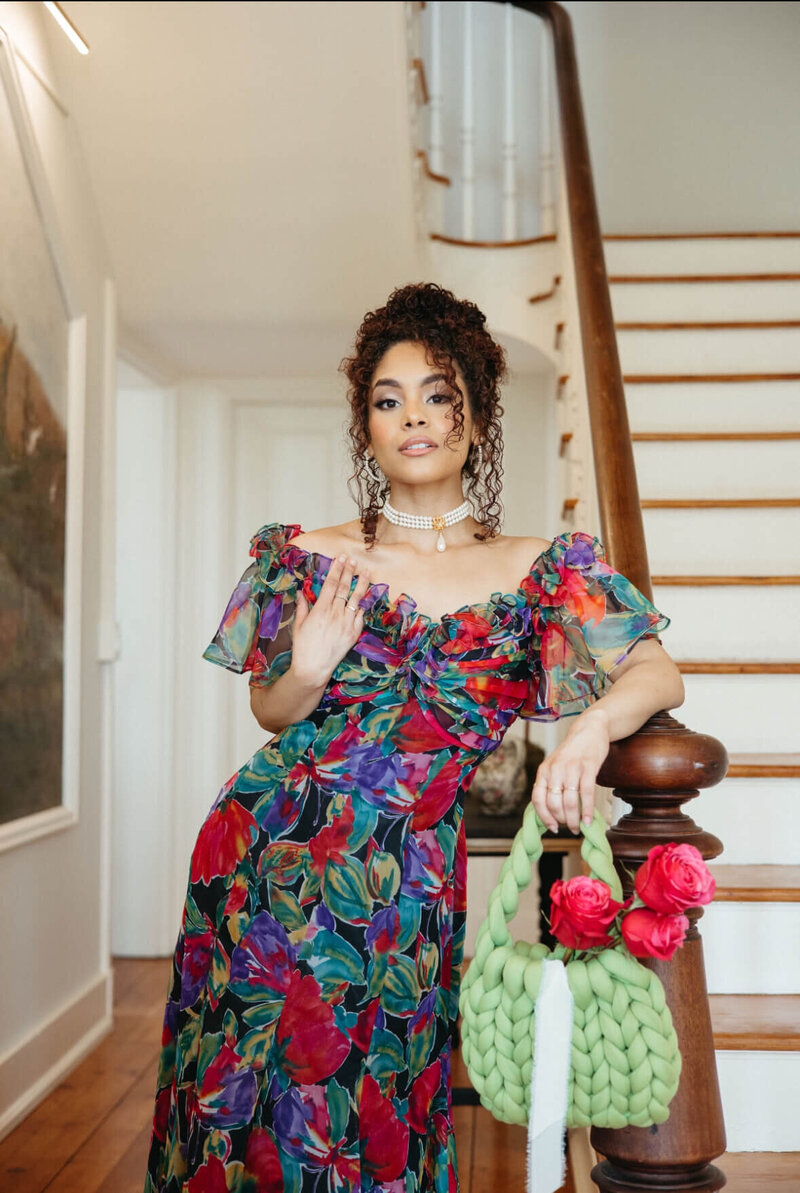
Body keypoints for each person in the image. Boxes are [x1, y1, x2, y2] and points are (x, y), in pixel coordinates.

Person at [144, 283, 684, 1193]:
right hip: (270, 862)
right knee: (254, 1114)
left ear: (477, 413)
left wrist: (592, 728)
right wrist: (309, 666)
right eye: (387, 401)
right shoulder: (312, 557)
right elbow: (271, 710)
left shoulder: (538, 568)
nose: (414, 418)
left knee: (380, 1108)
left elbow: (657, 671)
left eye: (438, 395)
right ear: (366, 427)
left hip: (409, 881)